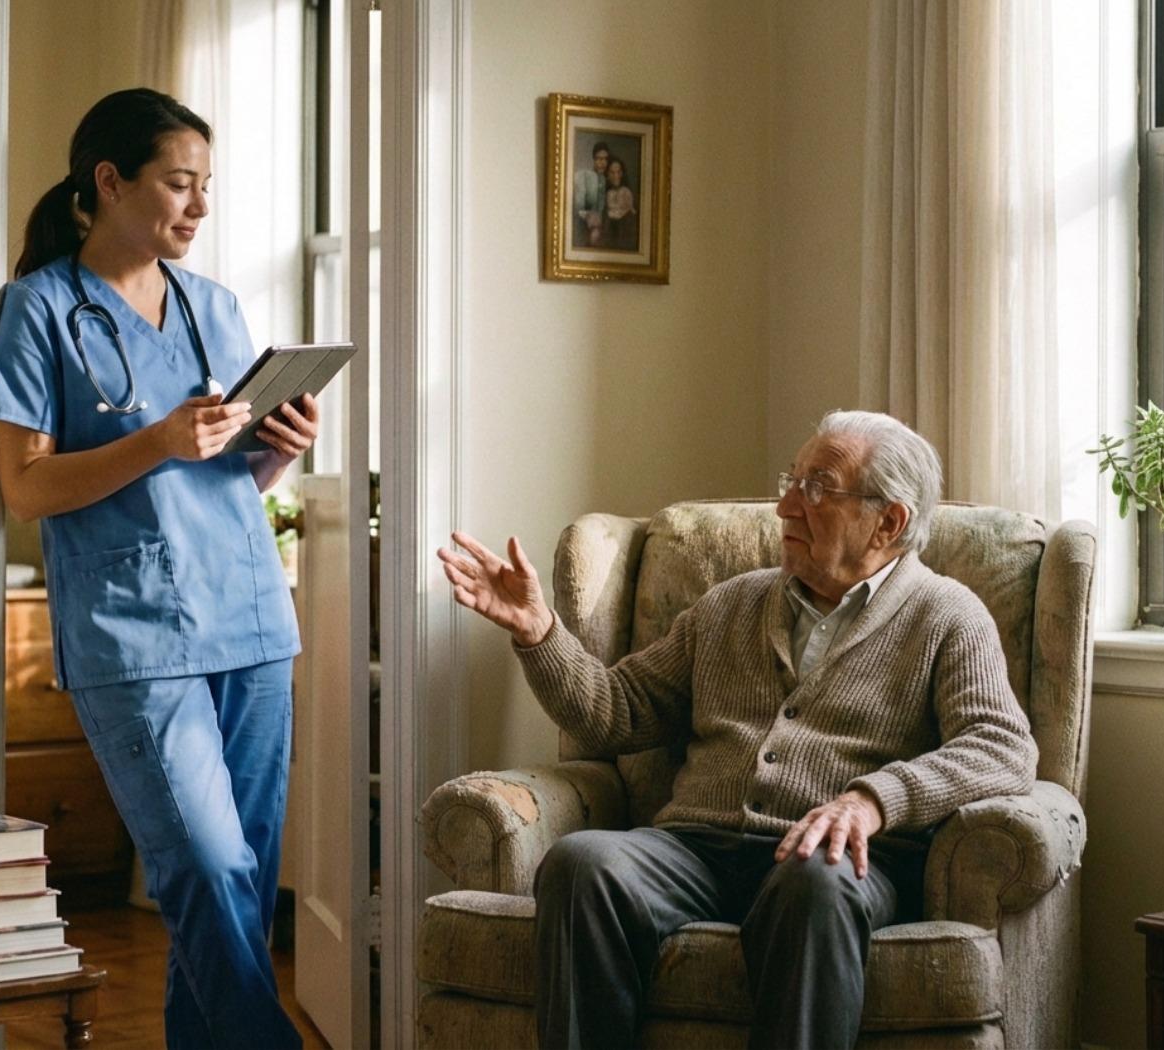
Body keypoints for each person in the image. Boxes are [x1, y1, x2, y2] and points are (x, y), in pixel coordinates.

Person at [436, 410, 1038, 1050]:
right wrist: (538, 632)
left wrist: (872, 801)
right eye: (791, 481)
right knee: (584, 862)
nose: (785, 506)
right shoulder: (732, 602)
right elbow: (617, 709)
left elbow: (1002, 746)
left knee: (815, 881)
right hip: (696, 849)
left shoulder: (947, 615)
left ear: (889, 521)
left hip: (832, 863)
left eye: (816, 488)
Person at [0, 88, 314, 1050]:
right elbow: (27, 487)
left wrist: (279, 447)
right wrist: (162, 440)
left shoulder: (216, 306)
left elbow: (228, 477)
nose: (199, 206)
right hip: (135, 633)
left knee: (241, 881)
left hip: (248, 617)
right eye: (179, 183)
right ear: (110, 182)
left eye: (207, 186)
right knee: (204, 869)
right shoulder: (39, 311)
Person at [572, 141, 610, 248]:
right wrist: (589, 217)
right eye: (599, 159)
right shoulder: (583, 175)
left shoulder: (604, 180)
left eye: (606, 159)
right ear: (593, 159)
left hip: (599, 229)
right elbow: (578, 207)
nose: (603, 163)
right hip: (583, 225)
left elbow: (602, 208)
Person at [602, 156, 638, 252]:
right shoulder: (608, 193)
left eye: (618, 172)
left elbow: (628, 213)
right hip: (611, 231)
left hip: (625, 230)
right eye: (612, 173)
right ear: (607, 175)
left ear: (622, 174)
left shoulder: (626, 192)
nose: (615, 176)